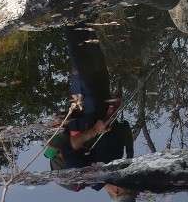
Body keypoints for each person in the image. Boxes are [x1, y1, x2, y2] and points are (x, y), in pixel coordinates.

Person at [47, 25, 136, 201]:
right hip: (104, 101)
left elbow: (70, 148)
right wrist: (130, 154)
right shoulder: (118, 159)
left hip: (84, 110)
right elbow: (124, 127)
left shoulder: (86, 177)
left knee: (81, 65)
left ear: (116, 192)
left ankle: (71, 21)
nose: (129, 181)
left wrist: (95, 130)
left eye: (128, 187)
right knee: (96, 57)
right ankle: (86, 20)